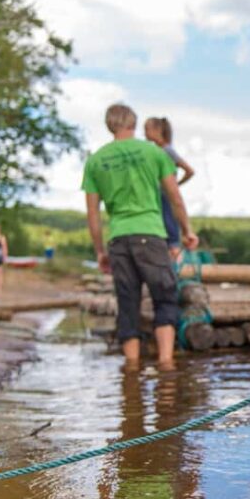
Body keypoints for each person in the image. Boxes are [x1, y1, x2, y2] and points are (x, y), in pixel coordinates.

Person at [82, 103, 199, 369]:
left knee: (128, 305)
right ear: (133, 124)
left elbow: (92, 215)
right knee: (165, 298)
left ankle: (131, 372)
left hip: (119, 239)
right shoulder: (153, 153)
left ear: (109, 125)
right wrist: (186, 231)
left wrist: (100, 251)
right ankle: (166, 366)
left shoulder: (96, 160)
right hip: (151, 235)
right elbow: (175, 197)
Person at [144, 117, 196, 261]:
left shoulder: (167, 151)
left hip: (165, 199)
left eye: (147, 129)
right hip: (156, 199)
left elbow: (189, 170)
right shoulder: (155, 151)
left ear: (158, 130)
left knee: (171, 236)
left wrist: (175, 185)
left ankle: (177, 270)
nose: (144, 133)